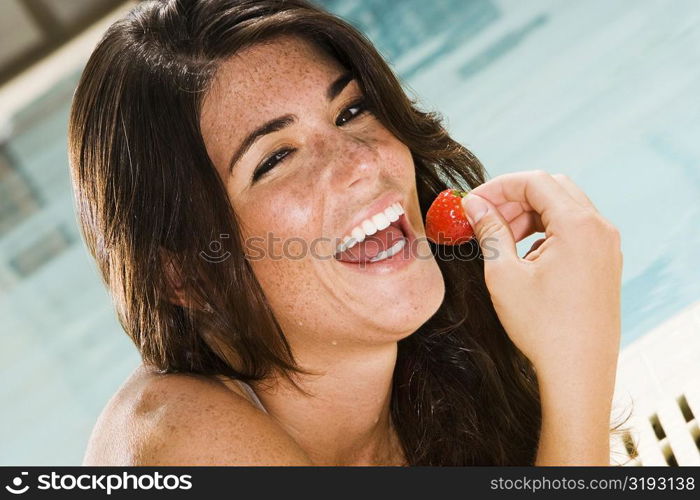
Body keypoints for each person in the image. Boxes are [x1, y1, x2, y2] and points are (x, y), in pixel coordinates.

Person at [69, 0, 624, 466]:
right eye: (276, 157)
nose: (361, 162)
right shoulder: (179, 443)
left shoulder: (447, 374)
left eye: (351, 110)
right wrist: (576, 362)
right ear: (184, 274)